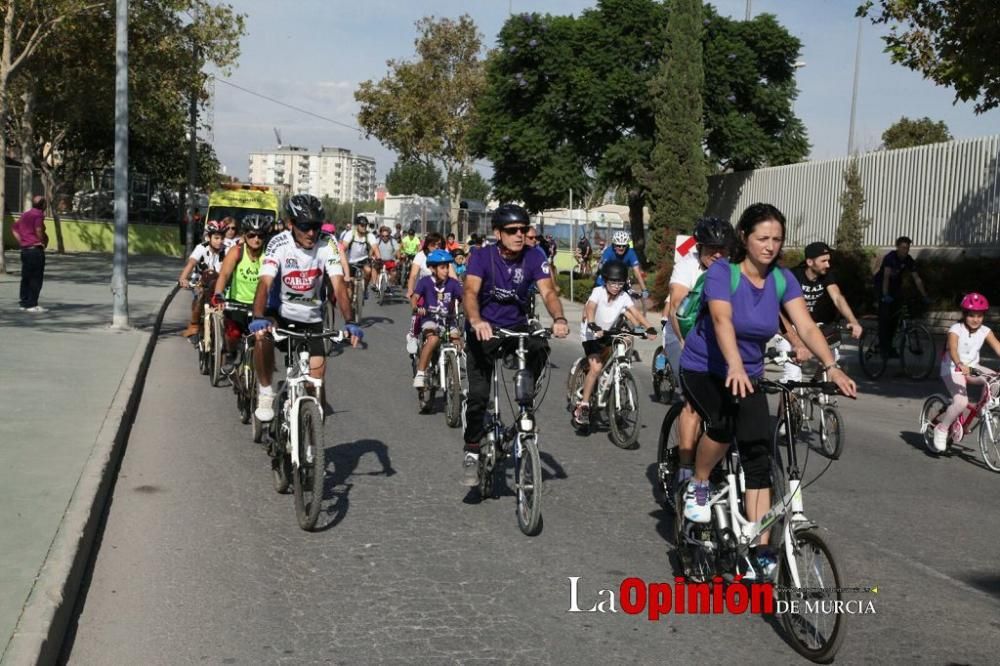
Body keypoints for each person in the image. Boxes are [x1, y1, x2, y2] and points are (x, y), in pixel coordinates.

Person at [678, 203, 856, 579]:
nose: (770, 246)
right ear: (744, 237)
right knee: (722, 425)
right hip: (705, 367)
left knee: (759, 453)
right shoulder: (722, 274)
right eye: (763, 238)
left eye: (777, 239)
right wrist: (736, 364)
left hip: (749, 374)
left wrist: (831, 365)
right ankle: (698, 483)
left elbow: (805, 326)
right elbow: (723, 320)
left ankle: (758, 547)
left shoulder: (781, 280)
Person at [461, 203, 570, 486]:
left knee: (540, 346)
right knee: (478, 397)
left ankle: (526, 401)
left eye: (524, 229)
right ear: (498, 233)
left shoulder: (534, 256)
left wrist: (558, 317)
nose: (520, 235)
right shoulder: (481, 256)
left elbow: (548, 291)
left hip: (515, 326)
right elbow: (470, 292)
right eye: (512, 231)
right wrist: (476, 321)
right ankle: (472, 451)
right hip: (483, 328)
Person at [249, 195, 361, 422]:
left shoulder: (327, 242)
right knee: (261, 338)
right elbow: (265, 283)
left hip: (311, 319)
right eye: (304, 226)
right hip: (278, 314)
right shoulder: (278, 243)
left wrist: (350, 321)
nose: (311, 233)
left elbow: (339, 285)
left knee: (316, 383)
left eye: (316, 226)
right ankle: (265, 391)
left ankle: (313, 433)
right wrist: (259, 315)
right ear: (290, 224)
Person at [659, 217, 735, 484]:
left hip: (716, 343)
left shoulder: (733, 268)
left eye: (723, 249)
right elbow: (677, 306)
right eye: (711, 249)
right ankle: (686, 466)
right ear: (699, 248)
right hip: (680, 336)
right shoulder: (687, 266)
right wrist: (686, 343)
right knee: (693, 403)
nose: (717, 254)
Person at [573, 260, 657, 427]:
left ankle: (616, 377)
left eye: (620, 283)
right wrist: (592, 323)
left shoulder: (624, 297)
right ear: (605, 281)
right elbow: (590, 308)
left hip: (608, 332)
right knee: (596, 368)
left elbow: (636, 314)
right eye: (613, 282)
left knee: (625, 340)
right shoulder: (598, 292)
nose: (616, 286)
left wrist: (649, 327)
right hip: (591, 333)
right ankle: (584, 405)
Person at [774, 241, 864, 382]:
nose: (828, 265)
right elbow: (776, 307)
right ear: (810, 262)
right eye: (823, 261)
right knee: (793, 378)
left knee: (831, 358)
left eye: (828, 260)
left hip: (813, 326)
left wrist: (853, 321)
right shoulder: (792, 276)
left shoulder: (826, 276)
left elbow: (837, 298)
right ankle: (787, 403)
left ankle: (815, 387)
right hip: (789, 328)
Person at [931, 293, 1000, 451]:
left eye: (980, 316)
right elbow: (953, 349)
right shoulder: (956, 329)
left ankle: (983, 409)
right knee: (961, 402)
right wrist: (959, 363)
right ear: (964, 315)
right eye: (971, 315)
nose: (976, 319)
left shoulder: (985, 331)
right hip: (952, 368)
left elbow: (998, 347)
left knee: (996, 380)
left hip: (972, 367)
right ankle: (941, 429)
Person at [211, 215, 268, 373]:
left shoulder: (269, 254)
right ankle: (231, 353)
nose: (256, 239)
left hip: (259, 305)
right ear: (244, 235)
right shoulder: (236, 252)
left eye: (260, 235)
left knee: (262, 339)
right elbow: (224, 275)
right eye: (251, 235)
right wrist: (218, 294)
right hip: (236, 301)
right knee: (233, 334)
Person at [411, 250, 464, 389]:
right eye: (442, 267)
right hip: (430, 318)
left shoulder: (453, 283)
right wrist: (416, 307)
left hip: (448, 320)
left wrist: (469, 310)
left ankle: (454, 374)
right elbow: (415, 297)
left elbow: (463, 298)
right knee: (433, 339)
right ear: (432, 268)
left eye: (447, 267)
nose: (446, 270)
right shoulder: (425, 282)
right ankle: (421, 373)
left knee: (457, 342)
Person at [873, 236, 929, 359]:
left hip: (894, 288)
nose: (906, 251)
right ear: (897, 247)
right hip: (881, 286)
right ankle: (883, 347)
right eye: (903, 248)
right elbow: (886, 277)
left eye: (907, 248)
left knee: (896, 317)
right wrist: (885, 295)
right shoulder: (890, 258)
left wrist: (924, 295)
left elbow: (917, 279)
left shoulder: (908, 260)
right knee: (885, 317)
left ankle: (890, 346)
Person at [178, 221, 226, 337]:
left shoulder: (227, 250)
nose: (219, 241)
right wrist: (183, 278)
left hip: (219, 283)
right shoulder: (201, 248)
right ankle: (194, 326)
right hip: (201, 282)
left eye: (222, 238)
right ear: (208, 237)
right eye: (216, 238)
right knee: (199, 297)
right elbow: (191, 263)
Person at [13, 196, 48, 312]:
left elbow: (14, 229)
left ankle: (24, 302)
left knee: (26, 277)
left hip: (25, 250)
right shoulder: (38, 215)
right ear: (43, 205)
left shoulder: (26, 214)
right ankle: (32, 304)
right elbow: (38, 230)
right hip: (35, 250)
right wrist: (41, 241)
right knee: (36, 277)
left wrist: (22, 242)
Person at [595, 230, 647, 297]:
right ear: (614, 245)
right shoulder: (608, 252)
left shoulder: (630, 252)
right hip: (604, 282)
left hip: (620, 283)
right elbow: (602, 269)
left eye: (623, 246)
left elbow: (637, 272)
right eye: (618, 245)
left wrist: (644, 289)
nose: (621, 248)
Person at [342, 215, 381, 301]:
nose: (364, 227)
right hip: (350, 261)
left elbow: (375, 247)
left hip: (363, 259)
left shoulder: (369, 235)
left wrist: (379, 258)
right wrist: (341, 254)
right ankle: (351, 307)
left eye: (366, 225)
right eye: (362, 225)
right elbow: (344, 246)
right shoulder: (350, 234)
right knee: (350, 289)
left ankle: (365, 289)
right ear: (357, 226)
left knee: (368, 270)